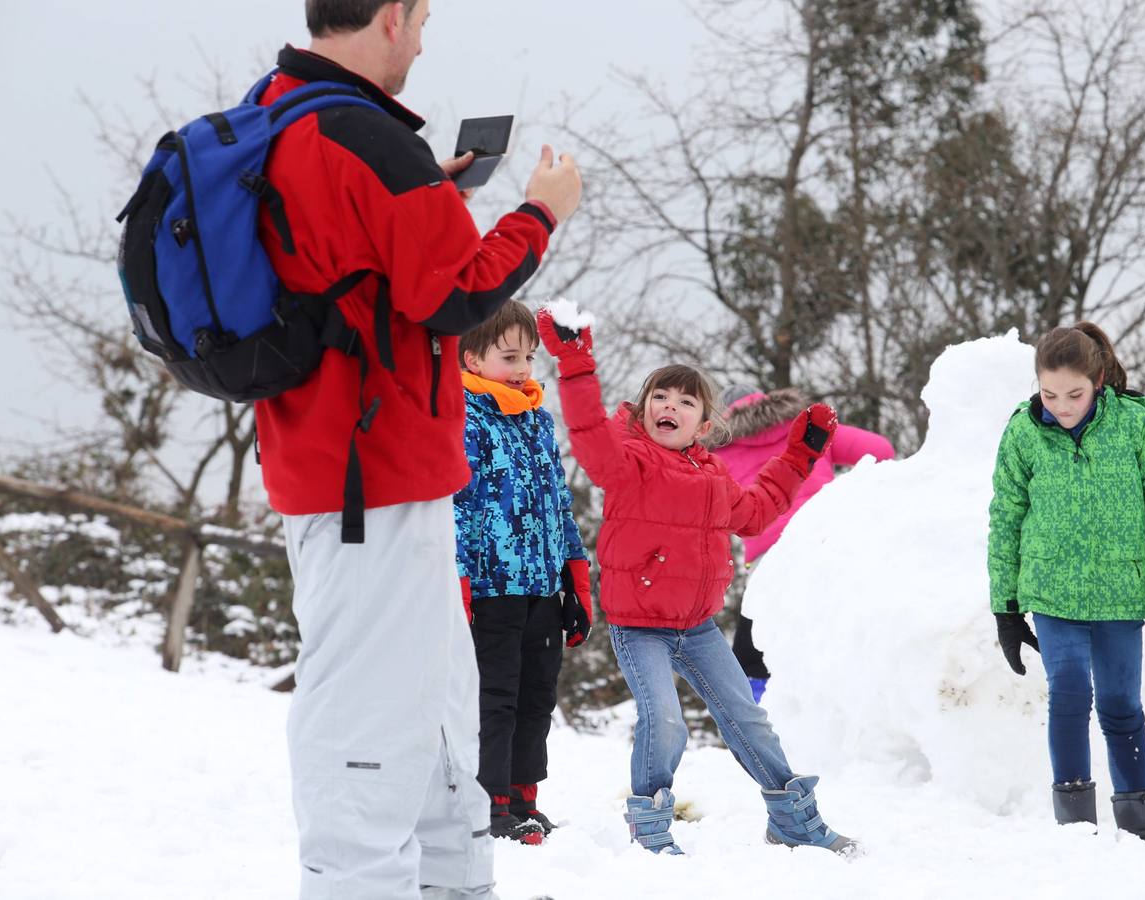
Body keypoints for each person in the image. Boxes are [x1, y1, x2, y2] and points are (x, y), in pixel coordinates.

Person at [254, 2, 582, 897]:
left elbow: (355, 264)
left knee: (438, 708)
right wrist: (539, 217)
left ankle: (449, 880)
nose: (426, 40)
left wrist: (435, 200)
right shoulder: (362, 134)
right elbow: (459, 295)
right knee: (365, 716)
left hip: (352, 464)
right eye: (424, 18)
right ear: (391, 15)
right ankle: (354, 882)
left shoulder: (280, 109)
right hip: (371, 475)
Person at [536, 307, 858, 857]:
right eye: (661, 396)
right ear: (643, 411)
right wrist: (575, 362)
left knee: (750, 722)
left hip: (698, 626)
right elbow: (588, 431)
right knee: (663, 719)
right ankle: (652, 828)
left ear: (703, 426)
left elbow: (757, 512)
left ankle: (793, 821)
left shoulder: (712, 477)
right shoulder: (627, 462)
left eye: (687, 402)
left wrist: (802, 453)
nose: (672, 406)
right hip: (641, 626)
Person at [986, 322, 1145, 843]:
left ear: (1098, 380)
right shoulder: (1023, 433)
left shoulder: (1135, 426)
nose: (1062, 405)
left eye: (1075, 393)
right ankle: (1076, 834)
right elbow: (1005, 519)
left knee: (1122, 705)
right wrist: (1006, 609)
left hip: (1119, 594)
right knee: (1070, 696)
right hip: (1052, 593)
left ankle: (1141, 830)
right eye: (1049, 393)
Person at [453, 301, 591, 846]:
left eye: (528, 357)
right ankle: (490, 802)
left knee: (538, 694)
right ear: (470, 357)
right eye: (509, 356)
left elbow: (559, 502)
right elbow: (458, 504)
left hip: (541, 587)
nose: (523, 368)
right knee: (496, 696)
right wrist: (459, 580)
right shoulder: (463, 414)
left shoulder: (535, 418)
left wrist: (575, 580)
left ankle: (524, 795)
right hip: (492, 588)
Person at [716, 386, 895, 701]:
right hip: (826, 540)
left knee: (752, 655)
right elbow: (880, 449)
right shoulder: (809, 431)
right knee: (833, 633)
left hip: (771, 558)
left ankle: (766, 724)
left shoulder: (719, 453)